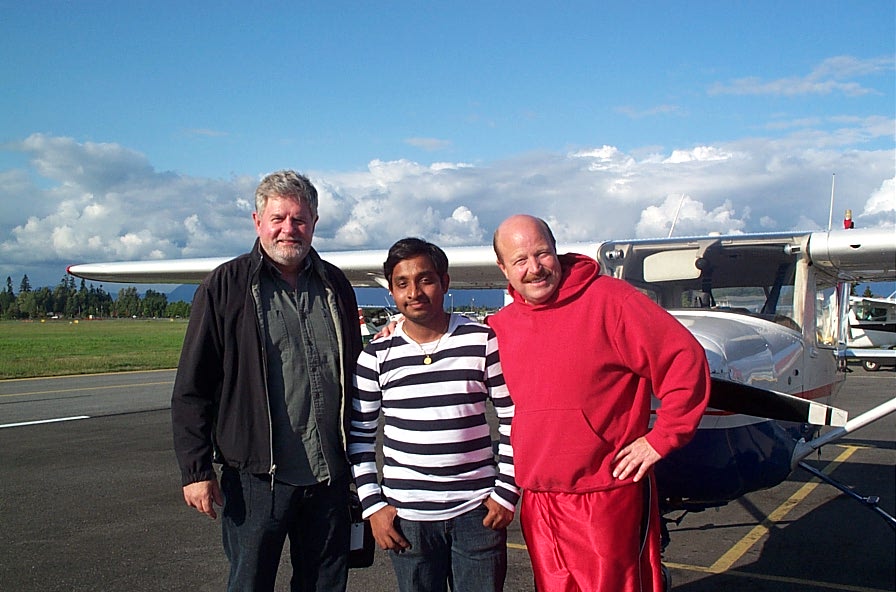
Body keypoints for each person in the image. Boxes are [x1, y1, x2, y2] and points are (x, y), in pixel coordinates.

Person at [488, 214, 711, 592]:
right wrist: (399, 329)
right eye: (520, 260)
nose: (534, 269)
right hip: (540, 498)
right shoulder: (502, 325)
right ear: (503, 267)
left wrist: (662, 438)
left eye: (542, 254)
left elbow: (684, 359)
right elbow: (447, 345)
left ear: (557, 251)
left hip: (606, 496)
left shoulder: (611, 300)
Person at [171, 170, 363, 592]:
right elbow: (192, 387)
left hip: (329, 476)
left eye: (299, 219)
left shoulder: (336, 286)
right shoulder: (225, 286)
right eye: (278, 218)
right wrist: (195, 470)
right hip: (258, 479)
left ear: (313, 222)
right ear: (258, 222)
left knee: (324, 584)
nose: (288, 229)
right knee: (250, 582)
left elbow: (356, 365)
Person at [348, 237, 520, 592]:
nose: (415, 292)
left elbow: (513, 419)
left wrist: (506, 492)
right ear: (392, 292)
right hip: (407, 519)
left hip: (478, 514)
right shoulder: (376, 355)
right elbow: (360, 438)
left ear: (445, 281)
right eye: (402, 283)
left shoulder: (483, 341)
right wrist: (373, 507)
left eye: (425, 279)